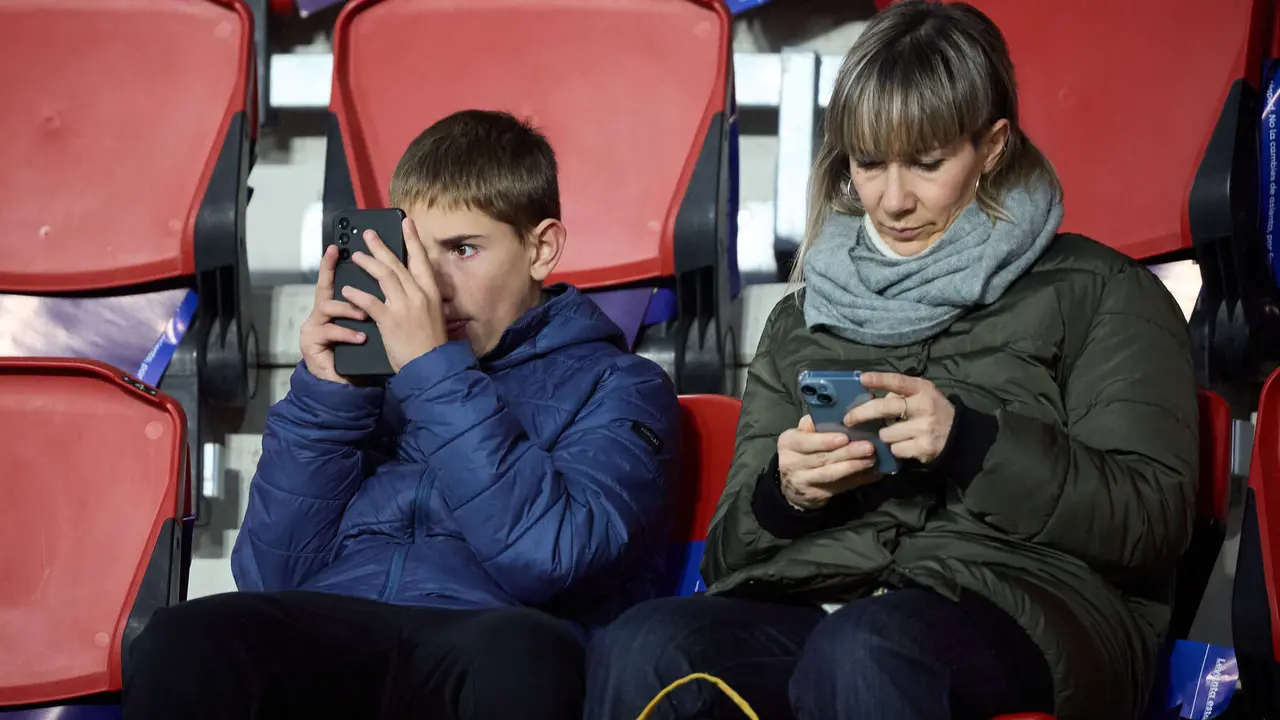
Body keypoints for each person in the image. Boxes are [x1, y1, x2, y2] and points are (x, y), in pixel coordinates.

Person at [584, 3, 1197, 720]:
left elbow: (1155, 520)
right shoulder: (801, 317)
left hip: (1024, 606)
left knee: (869, 649)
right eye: (868, 164)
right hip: (821, 600)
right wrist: (788, 494)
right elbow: (727, 558)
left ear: (994, 146)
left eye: (928, 163)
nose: (894, 199)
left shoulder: (1100, 291)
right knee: (643, 643)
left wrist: (972, 442)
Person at [122, 110, 679, 720]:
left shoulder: (623, 384)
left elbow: (552, 561)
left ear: (541, 249)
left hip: (494, 630)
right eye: (413, 254)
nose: (431, 287)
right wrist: (328, 396)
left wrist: (435, 371)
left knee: (518, 654)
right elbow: (273, 577)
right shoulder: (370, 388)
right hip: (345, 625)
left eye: (463, 250)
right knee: (184, 638)